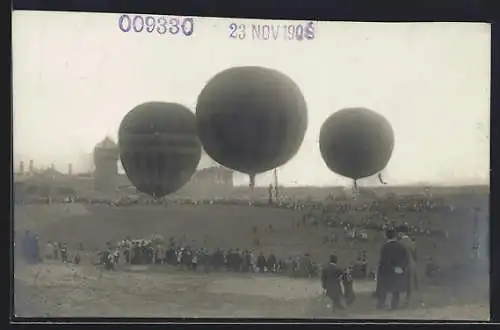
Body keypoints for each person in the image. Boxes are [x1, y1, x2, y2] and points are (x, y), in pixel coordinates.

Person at [375, 228, 409, 310]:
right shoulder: (401, 246)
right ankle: (395, 305)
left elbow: (385, 260)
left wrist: (391, 268)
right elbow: (405, 259)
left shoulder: (385, 247)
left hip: (387, 271)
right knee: (396, 289)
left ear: (386, 236)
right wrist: (401, 268)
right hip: (399, 270)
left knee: (385, 288)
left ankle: (384, 304)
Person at [398, 224, 418, 307]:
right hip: (411, 263)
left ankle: (400, 301)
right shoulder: (412, 242)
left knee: (400, 282)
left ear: (401, 233)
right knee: (410, 283)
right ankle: (407, 301)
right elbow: (415, 255)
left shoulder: (399, 243)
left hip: (402, 264)